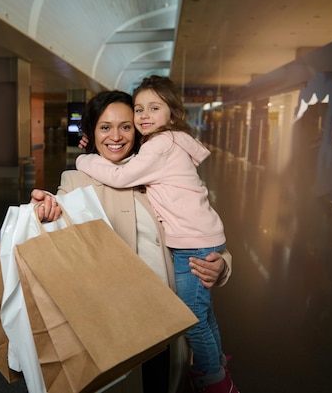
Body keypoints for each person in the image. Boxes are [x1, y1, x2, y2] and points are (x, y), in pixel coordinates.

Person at [31, 89, 233, 393]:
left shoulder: (164, 173)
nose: (116, 136)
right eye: (104, 127)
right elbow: (56, 216)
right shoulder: (76, 181)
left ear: (139, 130)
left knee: (162, 382)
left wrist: (222, 266)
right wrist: (44, 211)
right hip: (114, 328)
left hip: (169, 322)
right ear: (91, 132)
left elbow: (203, 229)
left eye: (126, 126)